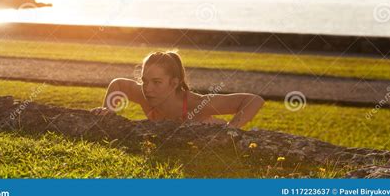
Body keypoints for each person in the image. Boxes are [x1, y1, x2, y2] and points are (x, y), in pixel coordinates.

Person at [91, 50, 265, 128]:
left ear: (174, 83)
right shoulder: (146, 93)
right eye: (145, 81)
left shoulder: (195, 103)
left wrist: (230, 129)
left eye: (157, 82)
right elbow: (119, 84)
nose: (148, 88)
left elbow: (253, 100)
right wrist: (108, 110)